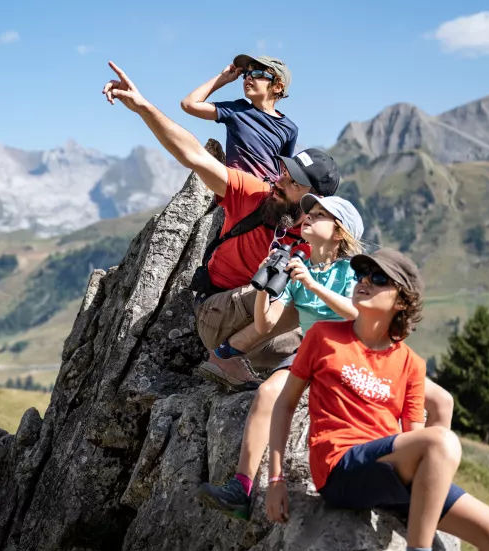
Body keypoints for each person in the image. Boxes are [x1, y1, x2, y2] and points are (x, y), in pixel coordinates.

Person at [198, 200, 455, 520]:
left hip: (367, 355)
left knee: (442, 401)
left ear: (338, 233)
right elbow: (266, 325)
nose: (307, 217)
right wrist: (263, 286)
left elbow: (358, 315)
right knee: (267, 394)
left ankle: (430, 484)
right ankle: (242, 488)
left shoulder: (354, 272)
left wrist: (311, 284)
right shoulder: (298, 264)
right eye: (310, 212)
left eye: (320, 215)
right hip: (318, 352)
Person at [265, 248, 489, 551]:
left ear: (401, 302)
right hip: (340, 469)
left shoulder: (412, 365)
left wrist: (428, 493)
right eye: (362, 275)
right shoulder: (322, 337)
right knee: (443, 441)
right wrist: (275, 480)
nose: (364, 281)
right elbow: (284, 405)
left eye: (379, 278)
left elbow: (415, 444)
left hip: (387, 475)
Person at [102, 61, 338, 390]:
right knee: (286, 291)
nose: (281, 178)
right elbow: (194, 154)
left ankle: (303, 379)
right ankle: (223, 359)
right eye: (285, 170)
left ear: (314, 198)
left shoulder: (316, 235)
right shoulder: (255, 195)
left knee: (327, 306)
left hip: (260, 330)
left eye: (294, 180)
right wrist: (143, 107)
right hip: (217, 311)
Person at [180, 54, 298, 180]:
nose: (248, 78)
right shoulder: (236, 110)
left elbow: (283, 172)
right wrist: (223, 78)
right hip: (237, 190)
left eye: (257, 74)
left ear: (277, 86)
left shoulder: (290, 129)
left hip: (266, 193)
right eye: (246, 74)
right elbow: (189, 104)